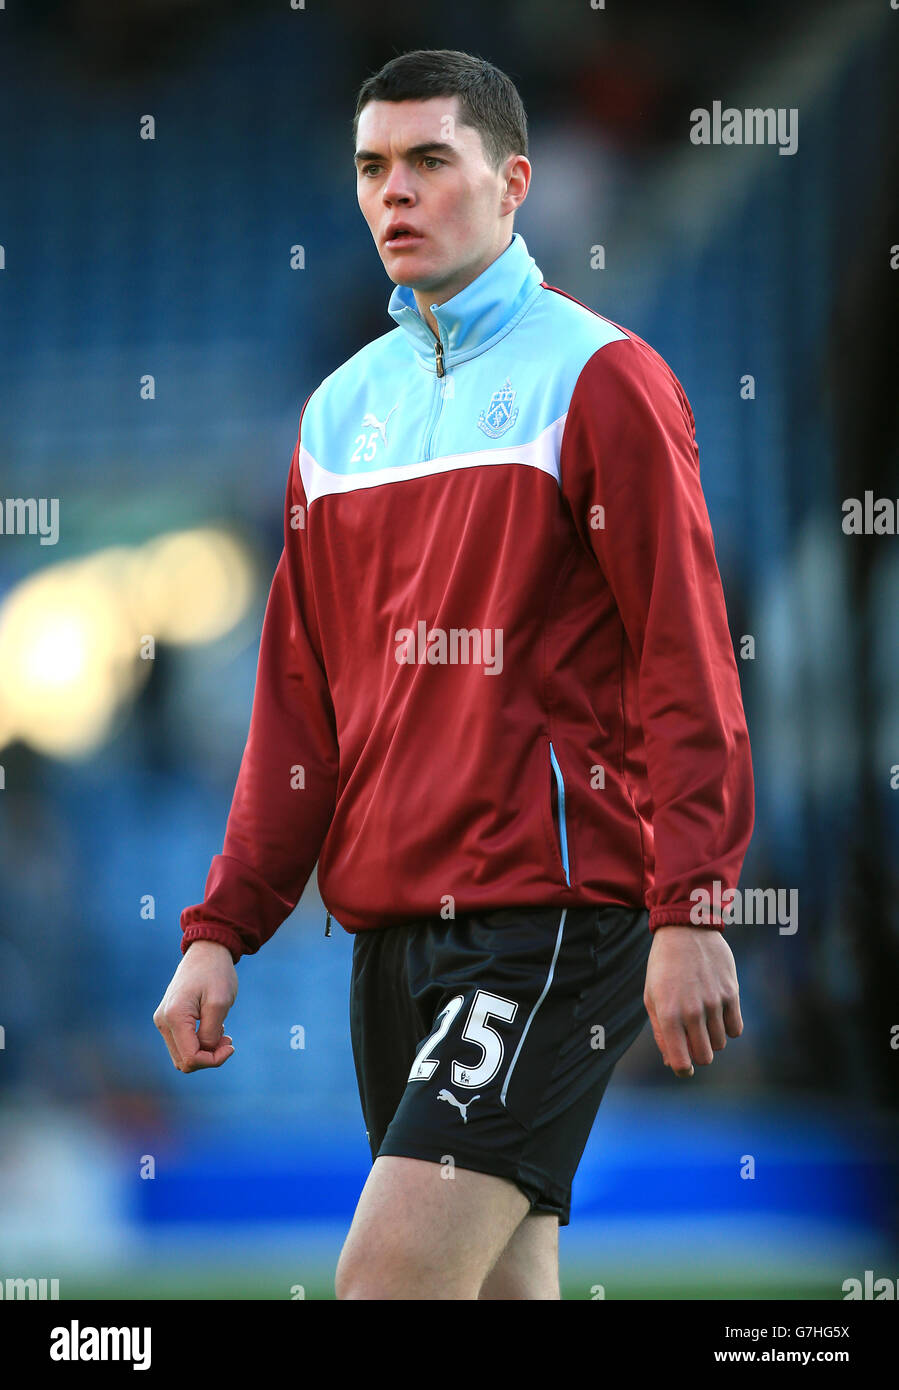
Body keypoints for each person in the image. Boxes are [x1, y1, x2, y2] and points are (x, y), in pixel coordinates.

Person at [153, 48, 754, 1301]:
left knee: (387, 1285)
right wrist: (223, 927)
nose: (395, 193)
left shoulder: (601, 378)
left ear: (512, 181)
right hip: (391, 943)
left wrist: (693, 901)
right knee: (493, 1288)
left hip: (549, 922)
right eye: (373, 166)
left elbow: (683, 657)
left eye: (431, 160)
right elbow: (296, 708)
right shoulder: (332, 419)